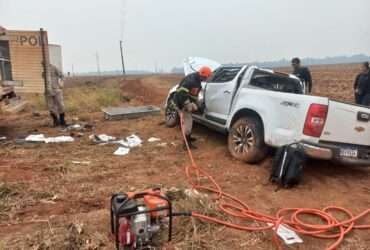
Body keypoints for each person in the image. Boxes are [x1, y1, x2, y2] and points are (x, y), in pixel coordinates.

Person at [174, 66, 212, 149]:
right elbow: (181, 93)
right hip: (181, 103)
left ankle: (188, 137)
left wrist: (198, 105)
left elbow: (194, 95)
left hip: (184, 102)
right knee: (188, 122)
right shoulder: (191, 81)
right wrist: (187, 105)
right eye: (206, 77)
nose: (206, 79)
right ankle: (186, 144)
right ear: (202, 75)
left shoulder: (197, 80)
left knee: (189, 121)